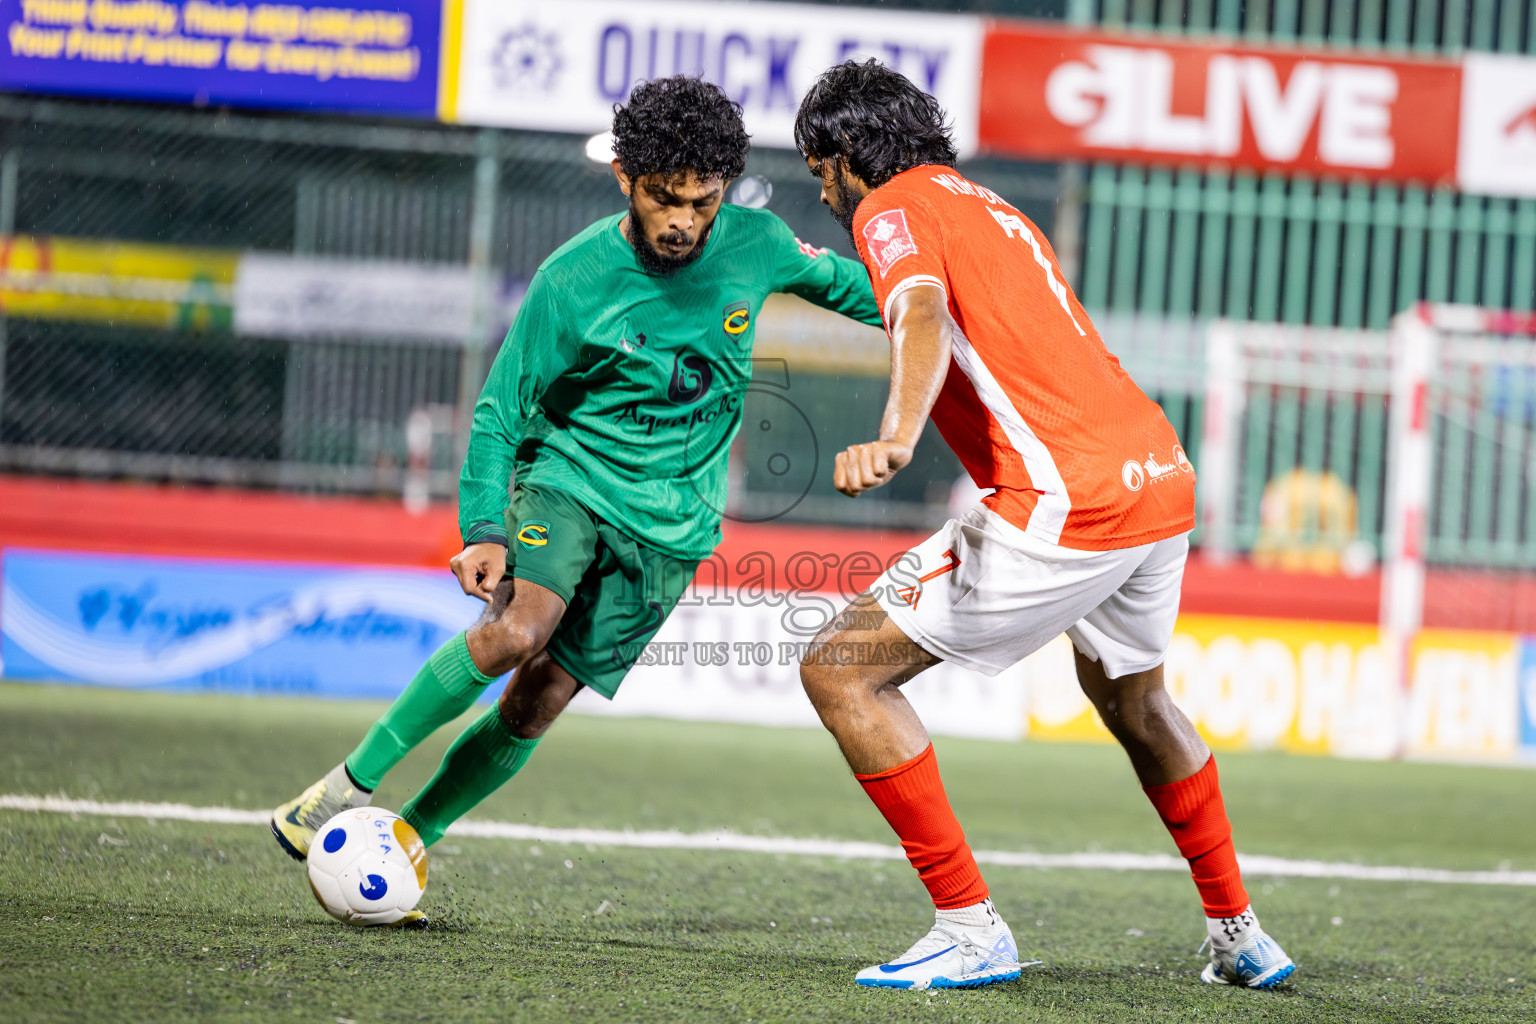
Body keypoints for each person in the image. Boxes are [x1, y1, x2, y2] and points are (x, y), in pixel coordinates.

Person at [270, 76, 884, 925]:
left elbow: (879, 297)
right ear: (624, 176)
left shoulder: (761, 243)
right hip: (571, 480)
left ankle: (402, 844)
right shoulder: (574, 278)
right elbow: (498, 412)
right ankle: (343, 787)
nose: (683, 221)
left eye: (702, 201)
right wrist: (483, 528)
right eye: (664, 198)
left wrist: (959, 304)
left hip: (672, 529)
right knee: (518, 631)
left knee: (539, 698)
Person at [792, 60, 1295, 991]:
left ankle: (969, 928)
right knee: (1140, 704)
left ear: (847, 154)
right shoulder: (992, 207)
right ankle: (1240, 934)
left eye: (820, 169)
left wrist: (895, 435)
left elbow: (921, 311)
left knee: (840, 668)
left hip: (1067, 504)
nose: (822, 190)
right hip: (1158, 481)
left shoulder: (889, 206)